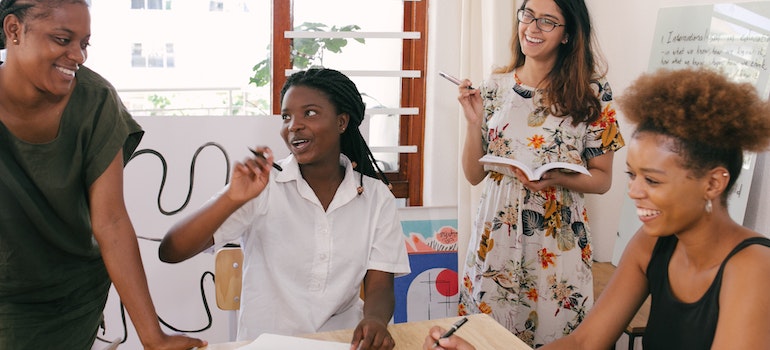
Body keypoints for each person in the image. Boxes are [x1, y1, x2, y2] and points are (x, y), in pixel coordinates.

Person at [425, 67, 770, 349]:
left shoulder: (753, 267)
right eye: (632, 176)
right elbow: (585, 342)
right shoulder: (651, 245)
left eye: (652, 180)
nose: (634, 192)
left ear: (713, 183)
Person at [0, 1, 207, 349]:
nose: (78, 56)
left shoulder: (96, 101)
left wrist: (152, 338)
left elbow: (110, 221)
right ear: (14, 30)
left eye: (84, 44)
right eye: (63, 39)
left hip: (72, 294)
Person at [159, 68, 411, 350]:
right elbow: (171, 250)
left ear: (342, 122)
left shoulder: (376, 198)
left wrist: (375, 320)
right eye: (286, 117)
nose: (294, 125)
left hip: (342, 342)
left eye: (310, 113)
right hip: (266, 344)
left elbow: (380, 285)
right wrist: (232, 197)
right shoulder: (264, 186)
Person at [453, 0, 624, 346]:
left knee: (556, 334)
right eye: (528, 15)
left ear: (568, 34)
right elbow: (473, 175)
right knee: (487, 338)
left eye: (547, 21)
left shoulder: (593, 92)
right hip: (496, 234)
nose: (532, 27)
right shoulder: (493, 87)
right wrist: (474, 124)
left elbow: (603, 180)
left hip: (557, 239)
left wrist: (556, 177)